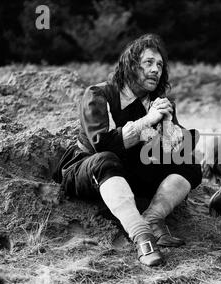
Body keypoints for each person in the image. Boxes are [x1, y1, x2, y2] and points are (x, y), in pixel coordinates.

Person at [53, 34, 202, 267]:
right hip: (90, 169)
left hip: (132, 170)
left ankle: (152, 218)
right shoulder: (98, 94)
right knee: (106, 159)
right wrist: (147, 120)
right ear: (131, 65)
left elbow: (180, 147)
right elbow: (100, 144)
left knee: (189, 164)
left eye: (160, 65)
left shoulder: (157, 101)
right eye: (149, 63)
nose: (156, 70)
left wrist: (167, 125)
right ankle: (141, 234)